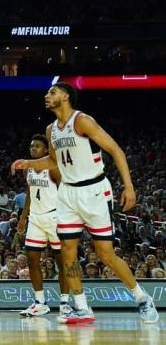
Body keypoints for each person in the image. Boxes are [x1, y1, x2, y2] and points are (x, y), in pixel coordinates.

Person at [12, 82, 159, 324]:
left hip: (94, 191)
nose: (47, 96)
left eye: (53, 92)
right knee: (67, 253)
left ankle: (142, 297)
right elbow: (53, 160)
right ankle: (81, 307)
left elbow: (116, 150)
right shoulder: (51, 130)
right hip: (68, 194)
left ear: (66, 96)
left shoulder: (82, 121)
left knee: (106, 254)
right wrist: (27, 163)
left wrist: (129, 187)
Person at [16, 133, 71, 317]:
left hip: (54, 217)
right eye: (31, 146)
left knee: (61, 263)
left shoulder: (53, 168)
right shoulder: (28, 168)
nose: (33, 149)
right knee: (32, 260)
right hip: (35, 219)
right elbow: (31, 192)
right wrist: (23, 217)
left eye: (37, 146)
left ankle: (65, 303)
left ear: (46, 149)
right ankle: (40, 302)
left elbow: (66, 190)